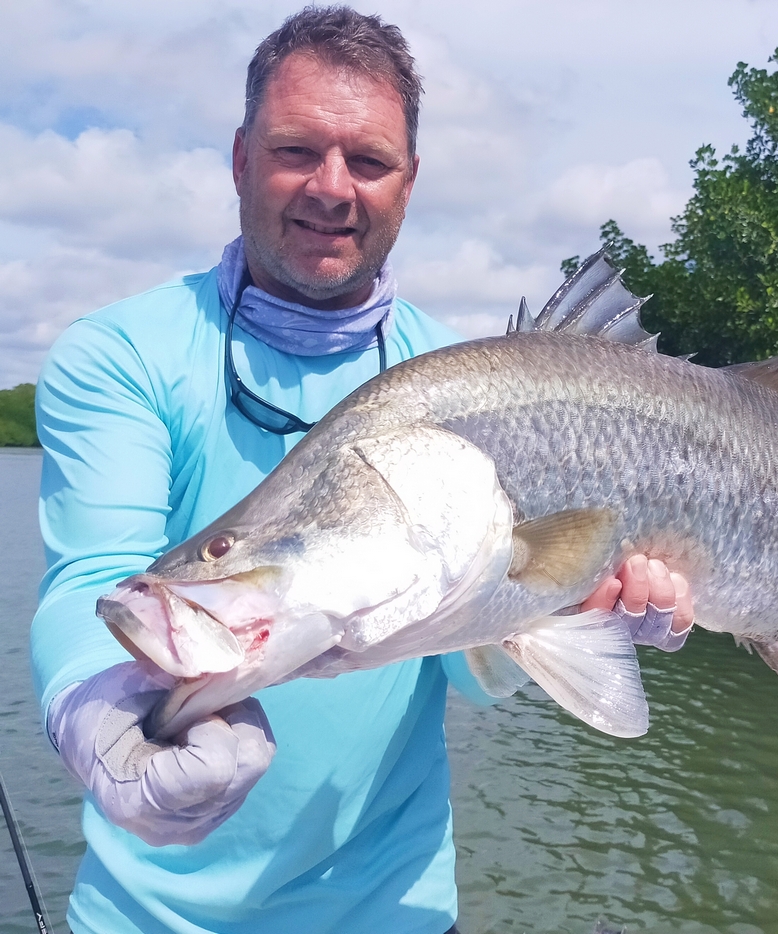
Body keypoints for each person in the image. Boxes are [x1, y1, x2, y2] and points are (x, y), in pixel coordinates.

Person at [30, 8, 692, 934]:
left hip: (401, 913)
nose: (332, 188)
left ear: (409, 184)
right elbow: (95, 578)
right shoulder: (119, 354)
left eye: (370, 161)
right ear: (239, 159)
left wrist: (570, 604)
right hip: (147, 919)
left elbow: (466, 669)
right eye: (297, 149)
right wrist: (92, 705)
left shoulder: (463, 381)